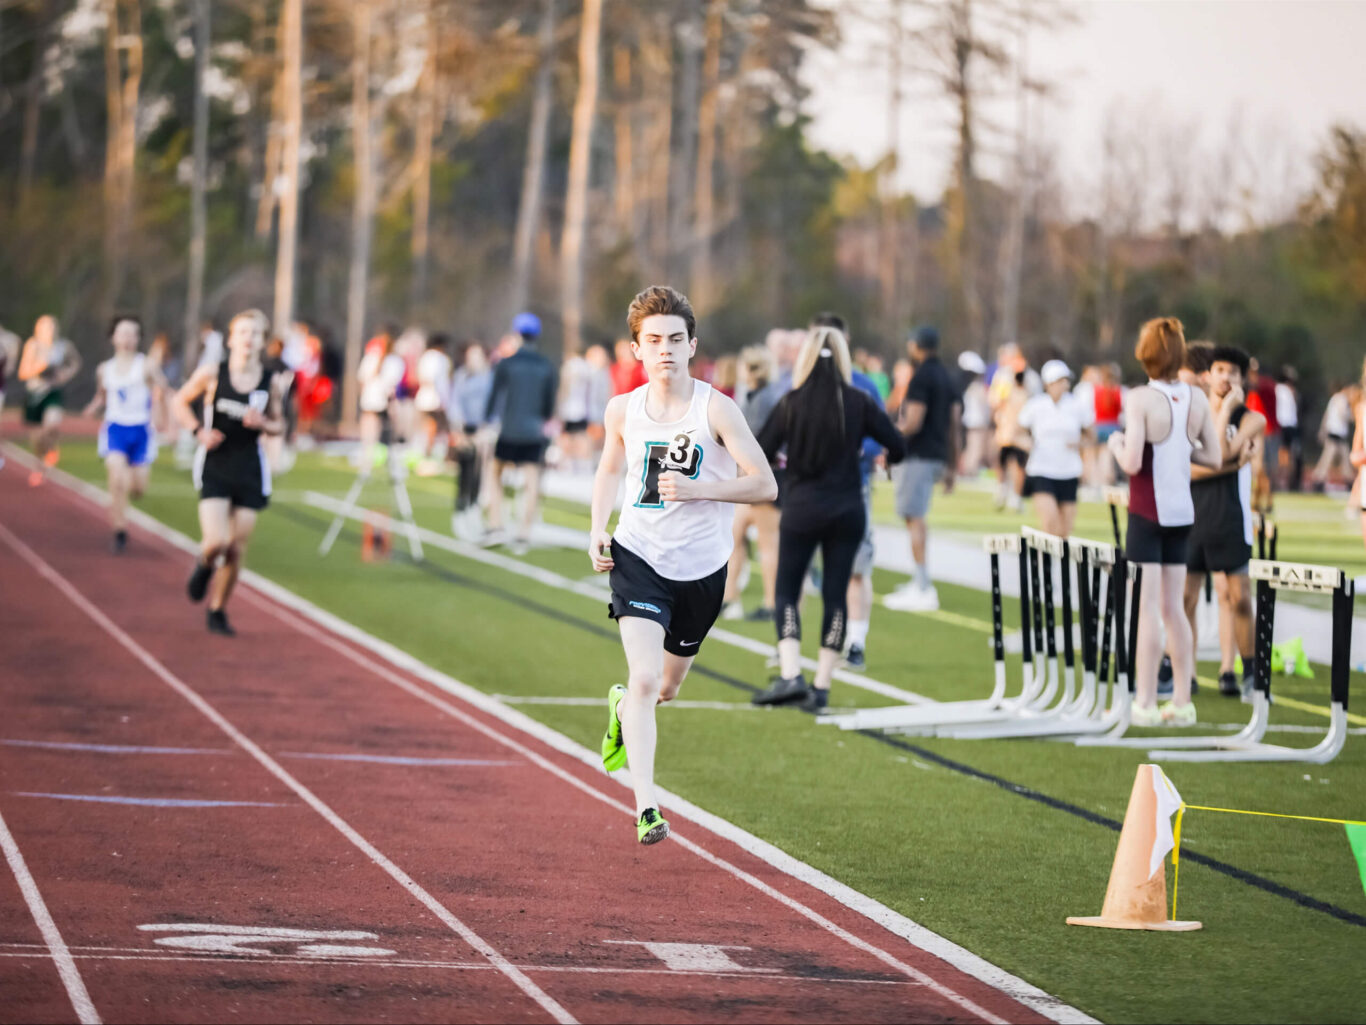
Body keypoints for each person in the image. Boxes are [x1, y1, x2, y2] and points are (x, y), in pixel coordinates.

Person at [590, 286, 776, 845]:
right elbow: (606, 473)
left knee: (665, 689)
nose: (665, 349)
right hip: (638, 557)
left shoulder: (715, 408)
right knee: (645, 677)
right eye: (654, 341)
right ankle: (647, 806)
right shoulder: (622, 410)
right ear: (636, 350)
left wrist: (702, 489)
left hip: (701, 571)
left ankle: (622, 707)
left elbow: (765, 483)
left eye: (675, 339)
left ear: (692, 344)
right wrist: (597, 527)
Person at [749, 324, 904, 708]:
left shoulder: (792, 402)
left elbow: (759, 450)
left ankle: (790, 675)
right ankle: (821, 686)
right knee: (835, 595)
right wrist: (882, 460)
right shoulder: (859, 401)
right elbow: (897, 444)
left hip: (801, 506)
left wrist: (782, 472)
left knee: (787, 590)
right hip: (848, 507)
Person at [1107, 317, 1221, 727]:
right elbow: (1214, 457)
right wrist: (1180, 449)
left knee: (1148, 610)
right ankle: (1184, 702)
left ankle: (1147, 702)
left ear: (1147, 355)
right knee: (1175, 610)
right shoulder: (1196, 398)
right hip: (1181, 514)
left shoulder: (1140, 399)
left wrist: (1116, 443)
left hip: (1146, 513)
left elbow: (1133, 461)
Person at [172, 310, 287, 636]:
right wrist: (198, 432)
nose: (249, 338)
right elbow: (180, 401)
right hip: (216, 462)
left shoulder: (269, 382)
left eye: (256, 333)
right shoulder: (212, 373)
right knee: (216, 542)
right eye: (243, 332)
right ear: (231, 338)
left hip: (250, 467)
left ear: (264, 342)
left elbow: (280, 425)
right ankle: (204, 564)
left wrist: (264, 424)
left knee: (236, 548)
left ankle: (217, 608)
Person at [1181, 344, 1265, 700]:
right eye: (1219, 370)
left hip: (1230, 516)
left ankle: (1250, 673)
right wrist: (1231, 464)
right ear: (1208, 375)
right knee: (1185, 597)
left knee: (1239, 597)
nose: (1225, 377)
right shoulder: (1191, 413)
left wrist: (1229, 408)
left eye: (1233, 372)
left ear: (1242, 379)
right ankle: (1184, 672)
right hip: (1191, 516)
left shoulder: (1250, 418)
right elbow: (1192, 468)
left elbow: (1212, 456)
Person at [884, 326, 960, 612]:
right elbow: (954, 424)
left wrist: (887, 437)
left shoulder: (922, 377)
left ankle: (923, 584)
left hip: (918, 455)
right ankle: (920, 579)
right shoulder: (946, 376)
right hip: (937, 454)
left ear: (916, 346)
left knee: (914, 517)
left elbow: (913, 421)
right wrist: (953, 463)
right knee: (914, 516)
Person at [81, 315, 166, 552]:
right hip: (115, 428)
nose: (128, 338)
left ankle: (132, 494)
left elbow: (162, 389)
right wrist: (94, 406)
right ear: (114, 337)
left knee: (138, 489)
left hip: (141, 431)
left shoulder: (146, 365)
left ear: (138, 338)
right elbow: (103, 394)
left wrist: (160, 414)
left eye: (133, 334)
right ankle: (119, 530)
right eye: (124, 333)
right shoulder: (104, 369)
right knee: (117, 479)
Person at [482, 313, 558, 553]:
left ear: (517, 334)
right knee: (531, 480)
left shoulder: (507, 363)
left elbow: (494, 397)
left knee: (494, 473)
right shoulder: (546, 365)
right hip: (533, 431)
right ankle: (524, 532)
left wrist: (486, 420)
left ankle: (496, 525)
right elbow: (549, 404)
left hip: (510, 429)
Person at [721, 345, 781, 621]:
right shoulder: (753, 394)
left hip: (763, 479)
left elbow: (757, 442)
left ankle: (771, 603)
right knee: (735, 537)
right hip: (751, 477)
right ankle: (730, 597)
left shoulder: (766, 398)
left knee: (768, 543)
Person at [1018, 360, 1093, 538]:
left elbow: (1091, 435)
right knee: (1050, 521)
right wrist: (1026, 442)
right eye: (1060, 381)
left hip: (1069, 470)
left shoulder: (1076, 405)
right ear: (1049, 383)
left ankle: (1059, 565)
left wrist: (1079, 443)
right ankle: (1044, 563)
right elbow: (1016, 433)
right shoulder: (1036, 405)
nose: (1064, 385)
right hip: (1042, 469)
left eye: (1065, 380)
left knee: (1065, 529)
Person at [17, 314, 82, 487]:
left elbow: (75, 361)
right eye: (46, 327)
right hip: (35, 392)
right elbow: (23, 372)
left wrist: (65, 374)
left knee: (51, 425)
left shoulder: (63, 346)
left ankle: (52, 448)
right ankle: (39, 466)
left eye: (52, 327)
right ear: (38, 329)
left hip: (53, 392)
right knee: (37, 437)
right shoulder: (33, 345)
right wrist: (40, 367)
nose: (50, 331)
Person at [448, 340, 493, 539]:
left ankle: (474, 510)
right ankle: (460, 511)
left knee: (479, 474)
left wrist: (487, 430)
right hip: (465, 430)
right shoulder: (461, 377)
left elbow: (494, 404)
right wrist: (459, 431)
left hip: (482, 432)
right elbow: (454, 404)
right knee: (465, 472)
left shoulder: (489, 377)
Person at [355, 329, 406, 459]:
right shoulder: (393, 360)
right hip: (383, 399)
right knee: (385, 429)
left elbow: (362, 379)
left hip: (372, 398)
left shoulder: (373, 357)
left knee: (370, 428)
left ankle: (369, 453)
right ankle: (379, 453)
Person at [414, 332, 453, 465]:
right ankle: (428, 454)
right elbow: (436, 380)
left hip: (426, 396)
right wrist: (443, 398)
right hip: (434, 398)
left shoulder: (426, 357)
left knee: (428, 426)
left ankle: (427, 452)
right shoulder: (438, 358)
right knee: (433, 427)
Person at [1314, 380, 1357, 490]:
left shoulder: (1333, 399)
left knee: (1337, 458)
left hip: (1333, 432)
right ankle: (1319, 480)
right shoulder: (1341, 398)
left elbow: (1326, 416)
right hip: (1337, 434)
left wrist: (1322, 430)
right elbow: (1344, 414)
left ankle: (1320, 478)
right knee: (1332, 458)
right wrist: (1354, 415)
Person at [957, 351, 991, 476]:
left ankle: (968, 470)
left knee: (971, 449)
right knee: (975, 449)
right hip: (975, 424)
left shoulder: (971, 387)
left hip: (970, 423)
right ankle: (969, 472)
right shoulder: (976, 388)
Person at [1275, 367, 1302, 491]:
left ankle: (1282, 481)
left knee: (1282, 453)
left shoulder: (1276, 388)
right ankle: (1286, 481)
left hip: (1281, 424)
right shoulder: (1290, 391)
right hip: (1289, 424)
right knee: (1287, 454)